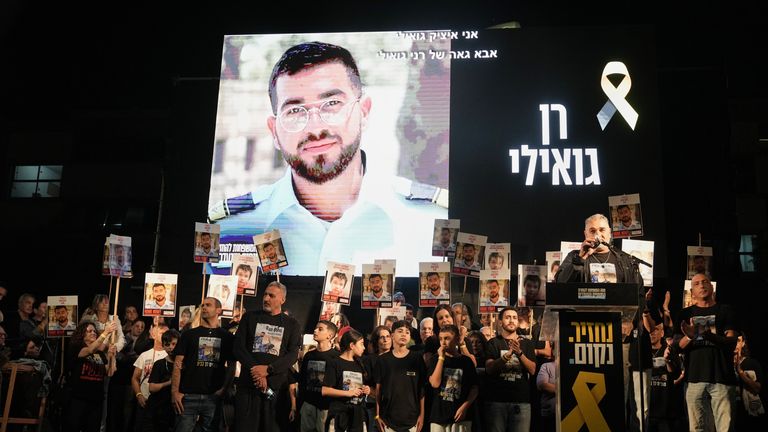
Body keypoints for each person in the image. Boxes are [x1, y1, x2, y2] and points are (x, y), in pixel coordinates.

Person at [210, 41, 446, 276]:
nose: (315, 127)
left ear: (363, 112)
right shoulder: (227, 230)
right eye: (294, 110)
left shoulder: (433, 222)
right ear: (274, 131)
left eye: (332, 104)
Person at [233, 281, 301, 431]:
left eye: (271, 296)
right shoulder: (249, 317)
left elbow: (292, 355)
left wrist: (269, 370)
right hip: (248, 387)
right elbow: (238, 348)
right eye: (265, 294)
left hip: (275, 390)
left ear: (282, 300)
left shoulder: (292, 324)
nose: (266, 298)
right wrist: (257, 372)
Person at [676, 272, 738, 432]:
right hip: (694, 379)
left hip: (722, 378)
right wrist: (690, 336)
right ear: (691, 293)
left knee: (725, 428)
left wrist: (705, 333)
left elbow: (731, 342)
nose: (702, 285)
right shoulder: (685, 314)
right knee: (697, 428)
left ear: (712, 287)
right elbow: (676, 346)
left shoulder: (725, 310)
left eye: (705, 282)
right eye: (696, 284)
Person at [172, 297, 234, 432]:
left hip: (213, 397)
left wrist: (223, 390)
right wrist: (175, 392)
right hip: (187, 396)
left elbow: (232, 366)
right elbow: (178, 363)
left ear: (219, 310)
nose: (204, 307)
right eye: (203, 305)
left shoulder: (227, 337)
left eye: (208, 305)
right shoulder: (188, 334)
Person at [484, 307, 537, 432]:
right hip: (497, 401)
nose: (511, 320)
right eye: (507, 317)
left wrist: (519, 353)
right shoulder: (493, 343)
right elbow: (489, 368)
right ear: (501, 322)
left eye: (514, 318)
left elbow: (533, 370)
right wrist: (507, 355)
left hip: (521, 401)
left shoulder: (527, 343)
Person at [555, 213, 643, 285]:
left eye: (602, 230)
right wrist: (580, 260)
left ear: (609, 232)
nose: (597, 235)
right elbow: (560, 284)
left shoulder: (625, 259)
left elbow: (638, 294)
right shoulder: (574, 256)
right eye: (592, 231)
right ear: (586, 234)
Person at [64, 320, 118, 432]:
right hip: (79, 398)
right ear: (82, 334)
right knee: (74, 427)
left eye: (94, 331)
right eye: (89, 331)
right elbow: (90, 349)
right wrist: (106, 332)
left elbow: (110, 372)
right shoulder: (77, 347)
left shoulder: (100, 354)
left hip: (96, 399)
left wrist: (111, 356)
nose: (93, 332)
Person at [375, 320, 426, 432]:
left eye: (407, 332)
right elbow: (378, 391)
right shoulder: (382, 360)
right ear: (392, 335)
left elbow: (422, 390)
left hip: (412, 419)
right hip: (388, 420)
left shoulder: (417, 358)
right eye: (400, 331)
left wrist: (422, 416)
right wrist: (377, 416)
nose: (404, 334)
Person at [427, 324, 478, 432]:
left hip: (460, 415)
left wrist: (465, 406)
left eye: (447, 338)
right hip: (439, 415)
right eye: (441, 339)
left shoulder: (466, 361)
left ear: (456, 339)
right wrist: (441, 358)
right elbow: (435, 383)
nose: (443, 342)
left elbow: (474, 388)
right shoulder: (435, 359)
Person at [322, 329, 372, 432]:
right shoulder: (334, 363)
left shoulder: (360, 364)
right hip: (339, 415)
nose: (364, 347)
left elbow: (360, 387)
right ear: (352, 345)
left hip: (358, 416)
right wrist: (348, 393)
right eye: (361, 344)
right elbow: (325, 390)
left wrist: (366, 389)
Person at [298, 320, 339, 432]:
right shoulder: (309, 355)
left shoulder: (336, 357)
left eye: (320, 329)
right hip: (308, 404)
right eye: (316, 328)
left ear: (329, 336)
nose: (315, 331)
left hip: (326, 407)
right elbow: (302, 380)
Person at [131, 321, 170, 430]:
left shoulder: (170, 355)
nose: (165, 336)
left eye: (167, 333)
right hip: (144, 400)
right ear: (153, 334)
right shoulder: (145, 355)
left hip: (162, 402)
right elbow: (135, 378)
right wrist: (139, 395)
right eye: (162, 333)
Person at [145, 329, 180, 432]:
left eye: (174, 344)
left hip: (174, 410)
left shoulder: (184, 364)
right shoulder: (159, 364)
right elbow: (152, 388)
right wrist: (169, 382)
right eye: (167, 344)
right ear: (163, 346)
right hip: (158, 409)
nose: (171, 347)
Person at [733, 331, 765, 429]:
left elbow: (757, 388)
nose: (735, 344)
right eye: (732, 341)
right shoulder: (723, 365)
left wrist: (741, 372)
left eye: (738, 341)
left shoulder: (752, 363)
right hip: (731, 411)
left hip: (749, 414)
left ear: (743, 343)